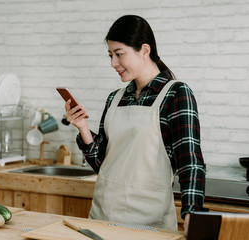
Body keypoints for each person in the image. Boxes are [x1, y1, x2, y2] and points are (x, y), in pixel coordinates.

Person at [64, 15, 206, 235]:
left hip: (149, 227)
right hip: (101, 219)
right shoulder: (115, 98)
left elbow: (190, 161)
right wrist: (83, 127)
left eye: (119, 54)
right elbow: (104, 165)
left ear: (144, 50)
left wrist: (192, 213)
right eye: (110, 55)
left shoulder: (176, 94)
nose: (113, 63)